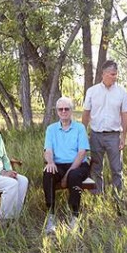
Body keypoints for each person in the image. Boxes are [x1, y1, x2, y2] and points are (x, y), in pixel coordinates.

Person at [82, 60, 127, 203]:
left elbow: (125, 115)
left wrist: (124, 136)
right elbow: (86, 113)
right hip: (95, 135)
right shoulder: (92, 91)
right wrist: (82, 134)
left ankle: (118, 198)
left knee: (117, 169)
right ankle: (98, 197)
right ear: (103, 74)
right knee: (96, 169)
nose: (115, 77)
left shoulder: (122, 92)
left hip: (114, 136)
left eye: (116, 74)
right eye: (112, 74)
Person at [43, 97, 91, 233]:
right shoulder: (51, 129)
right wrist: (50, 162)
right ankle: (51, 216)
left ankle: (75, 217)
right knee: (48, 173)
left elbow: (82, 153)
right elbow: (48, 150)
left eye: (66, 109)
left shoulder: (79, 128)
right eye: (60, 109)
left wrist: (68, 174)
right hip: (58, 164)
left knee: (74, 176)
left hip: (77, 164)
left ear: (71, 110)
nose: (63, 111)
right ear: (57, 111)